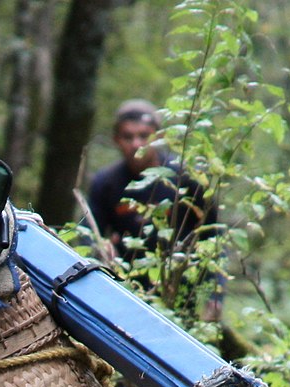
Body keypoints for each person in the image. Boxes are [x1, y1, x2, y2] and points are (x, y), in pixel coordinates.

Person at [85, 99, 223, 320]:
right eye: (128, 137)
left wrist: (215, 293)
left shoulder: (186, 178)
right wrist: (100, 248)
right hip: (126, 290)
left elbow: (213, 237)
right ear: (116, 140)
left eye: (144, 136)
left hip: (180, 289)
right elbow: (89, 235)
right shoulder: (106, 183)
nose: (136, 144)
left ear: (158, 137)